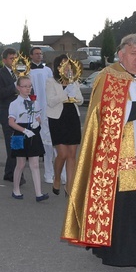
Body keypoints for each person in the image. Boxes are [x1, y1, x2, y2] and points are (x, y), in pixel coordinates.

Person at [62, 34, 136, 272]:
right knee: (126, 204)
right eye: (134, 54)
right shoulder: (108, 76)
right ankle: (122, 253)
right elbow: (99, 114)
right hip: (121, 157)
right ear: (121, 55)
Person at [46, 54, 84, 196]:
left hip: (72, 117)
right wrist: (65, 93)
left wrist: (72, 90)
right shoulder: (51, 81)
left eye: (68, 64)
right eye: (63, 64)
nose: (67, 66)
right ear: (57, 67)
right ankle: (57, 177)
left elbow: (80, 100)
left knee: (72, 154)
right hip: (57, 118)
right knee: (62, 153)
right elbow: (51, 101)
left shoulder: (73, 81)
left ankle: (70, 186)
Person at [8, 76, 48, 202]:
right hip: (20, 133)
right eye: (25, 86)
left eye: (29, 86)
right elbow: (11, 122)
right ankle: (15, 189)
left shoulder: (34, 102)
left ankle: (39, 193)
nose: (28, 89)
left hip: (33, 133)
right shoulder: (14, 104)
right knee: (20, 164)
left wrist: (37, 123)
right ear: (18, 88)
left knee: (35, 164)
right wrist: (24, 130)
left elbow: (37, 117)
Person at [0, 48, 23, 183]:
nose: (14, 61)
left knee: (18, 143)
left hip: (21, 114)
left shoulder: (20, 73)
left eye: (15, 58)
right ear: (4, 60)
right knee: (12, 144)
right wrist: (14, 85)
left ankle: (10, 172)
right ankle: (15, 174)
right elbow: (0, 94)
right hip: (7, 114)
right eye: (11, 58)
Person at [29, 46, 56, 184]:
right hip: (35, 106)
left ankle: (51, 172)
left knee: (50, 141)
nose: (39, 56)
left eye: (41, 54)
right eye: (37, 54)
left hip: (49, 106)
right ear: (31, 56)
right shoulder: (28, 71)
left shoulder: (47, 70)